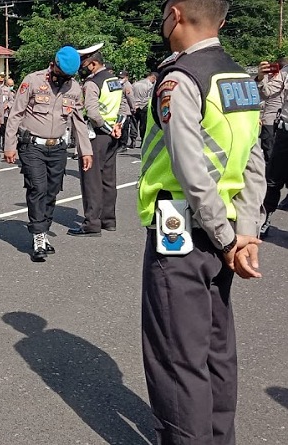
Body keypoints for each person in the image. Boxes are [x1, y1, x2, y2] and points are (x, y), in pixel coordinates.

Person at [139, 1, 266, 442]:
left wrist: (229, 237)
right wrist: (245, 231)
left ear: (174, 14)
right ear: (223, 21)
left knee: (177, 358)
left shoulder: (179, 80)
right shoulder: (239, 78)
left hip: (182, 229)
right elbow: (254, 159)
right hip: (226, 229)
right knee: (216, 350)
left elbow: (192, 171)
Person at [4, 46, 93, 262]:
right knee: (38, 189)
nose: (62, 81)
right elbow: (16, 113)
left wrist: (85, 151)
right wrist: (9, 144)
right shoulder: (33, 81)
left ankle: (43, 230)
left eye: (67, 78)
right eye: (60, 76)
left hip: (58, 148)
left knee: (52, 192)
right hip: (32, 145)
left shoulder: (74, 88)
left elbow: (79, 122)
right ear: (53, 65)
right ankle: (38, 236)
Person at [68, 43, 123, 236]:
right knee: (108, 178)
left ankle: (92, 223)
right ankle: (109, 220)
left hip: (95, 135)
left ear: (93, 64)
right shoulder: (114, 80)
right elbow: (123, 106)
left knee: (91, 179)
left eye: (85, 63)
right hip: (112, 134)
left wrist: (106, 128)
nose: (82, 67)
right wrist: (117, 127)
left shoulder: (92, 83)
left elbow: (92, 111)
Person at [256, 57, 288, 236]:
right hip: (285, 133)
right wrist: (261, 78)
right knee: (273, 179)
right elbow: (267, 93)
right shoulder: (285, 73)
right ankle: (265, 216)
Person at [132, 72, 157, 148]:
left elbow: (131, 96)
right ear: (153, 77)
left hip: (134, 107)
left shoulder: (135, 84)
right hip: (143, 108)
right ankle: (143, 142)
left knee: (133, 125)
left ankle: (133, 141)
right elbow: (148, 97)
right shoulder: (150, 86)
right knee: (143, 126)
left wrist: (134, 105)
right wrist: (140, 105)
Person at [116, 70, 137, 151]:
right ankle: (118, 144)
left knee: (124, 128)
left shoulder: (127, 85)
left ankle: (123, 145)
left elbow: (130, 98)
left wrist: (133, 108)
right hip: (119, 109)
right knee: (119, 126)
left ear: (127, 77)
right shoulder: (118, 84)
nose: (120, 79)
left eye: (122, 77)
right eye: (119, 77)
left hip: (124, 109)